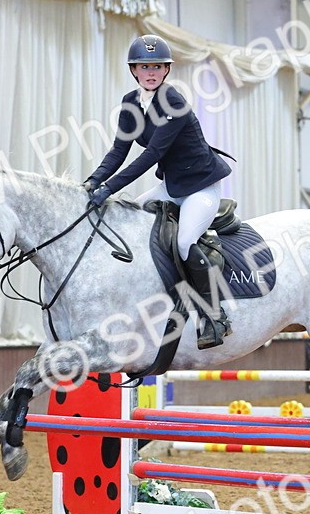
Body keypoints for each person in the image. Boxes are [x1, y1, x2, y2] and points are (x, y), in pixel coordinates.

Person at [84, 34, 234, 350]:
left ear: (165, 71)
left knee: (183, 242)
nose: (150, 72)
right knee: (128, 225)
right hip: (171, 186)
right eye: (144, 66)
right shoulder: (130, 103)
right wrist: (91, 183)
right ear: (134, 71)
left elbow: (151, 154)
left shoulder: (174, 102)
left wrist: (109, 189)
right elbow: (118, 150)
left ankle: (215, 315)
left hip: (200, 188)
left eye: (156, 66)